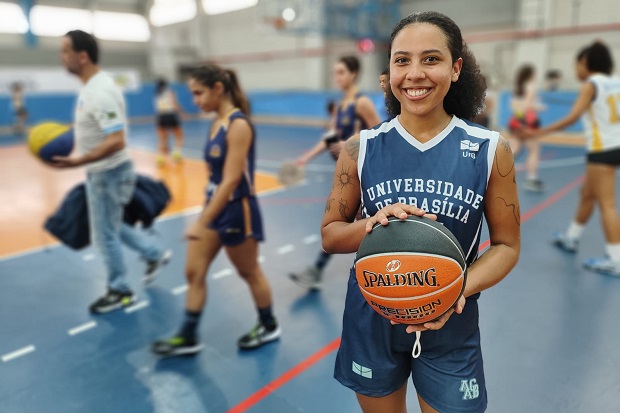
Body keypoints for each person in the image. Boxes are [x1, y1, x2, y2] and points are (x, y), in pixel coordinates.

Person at [321, 12, 520, 413]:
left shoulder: (489, 149)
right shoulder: (358, 149)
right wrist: (370, 226)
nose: (415, 74)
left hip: (452, 320)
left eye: (431, 59)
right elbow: (331, 235)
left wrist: (454, 290)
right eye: (401, 60)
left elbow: (507, 247)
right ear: (389, 71)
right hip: (372, 314)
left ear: (456, 67)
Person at [151, 64, 280, 356]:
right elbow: (215, 179)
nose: (194, 100)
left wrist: (202, 220)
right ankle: (188, 335)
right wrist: (205, 211)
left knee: (249, 272)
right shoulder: (215, 123)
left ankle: (268, 324)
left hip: (237, 210)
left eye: (198, 93)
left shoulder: (238, 125)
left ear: (217, 89)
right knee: (193, 271)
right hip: (214, 207)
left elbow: (232, 179)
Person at [51, 30, 172, 313]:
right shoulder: (92, 87)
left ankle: (120, 290)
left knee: (103, 235)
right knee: (112, 227)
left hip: (108, 174)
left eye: (65, 51)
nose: (62, 56)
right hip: (104, 173)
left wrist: (79, 161)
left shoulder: (99, 91)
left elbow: (117, 139)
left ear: (83, 56)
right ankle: (154, 253)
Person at [289, 55, 381, 289]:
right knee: (348, 223)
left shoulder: (362, 103)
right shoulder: (340, 106)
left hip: (364, 174)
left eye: (341, 72)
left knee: (352, 225)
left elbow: (382, 136)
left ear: (354, 74)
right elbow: (330, 137)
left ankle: (379, 275)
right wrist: (305, 158)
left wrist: (354, 144)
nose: (337, 77)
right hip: (346, 175)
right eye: (335, 73)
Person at [529, 41, 620, 276]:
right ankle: (571, 237)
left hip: (602, 149)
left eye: (577, 64)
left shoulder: (591, 84)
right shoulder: (615, 81)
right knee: (587, 194)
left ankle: (616, 258)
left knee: (607, 204)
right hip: (614, 145)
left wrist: (540, 132)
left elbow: (572, 118)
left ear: (585, 63)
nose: (576, 69)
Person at [507, 64, 546, 192]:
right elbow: (527, 106)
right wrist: (539, 107)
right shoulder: (530, 86)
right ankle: (531, 179)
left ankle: (494, 172)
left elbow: (515, 107)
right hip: (528, 122)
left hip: (516, 121)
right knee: (533, 151)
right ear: (530, 75)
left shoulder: (517, 89)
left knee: (514, 149)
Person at [154, 77, 184, 166]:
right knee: (179, 136)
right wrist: (182, 113)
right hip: (170, 115)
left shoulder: (157, 93)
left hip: (160, 116)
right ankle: (176, 153)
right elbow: (174, 104)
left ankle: (159, 158)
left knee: (162, 139)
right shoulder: (170, 91)